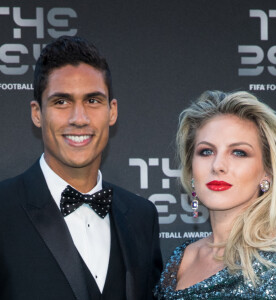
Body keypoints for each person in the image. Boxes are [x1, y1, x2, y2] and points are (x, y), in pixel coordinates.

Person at [0, 35, 162, 300]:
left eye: (93, 101)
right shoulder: (3, 208)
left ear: (112, 111)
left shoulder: (142, 217)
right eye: (61, 102)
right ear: (37, 113)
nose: (79, 118)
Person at [154, 91, 276, 299]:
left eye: (238, 152)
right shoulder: (182, 258)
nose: (218, 166)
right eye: (206, 151)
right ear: (190, 168)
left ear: (267, 172)